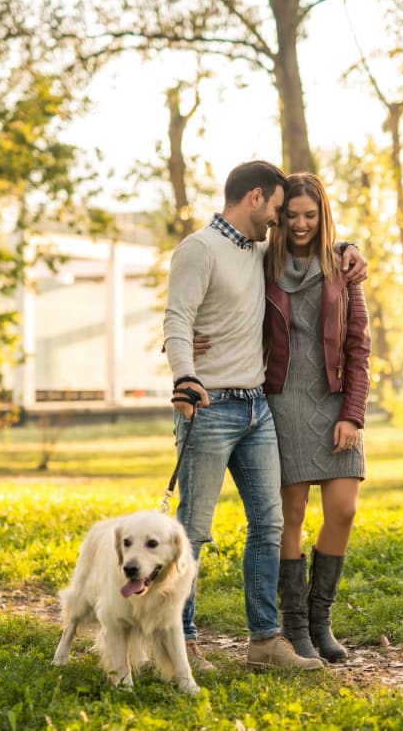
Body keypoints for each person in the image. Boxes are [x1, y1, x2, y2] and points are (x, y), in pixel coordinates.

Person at [163, 160, 367, 672]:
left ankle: (267, 639)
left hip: (257, 405)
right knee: (195, 527)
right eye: (280, 210)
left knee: (269, 525)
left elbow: (350, 327)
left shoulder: (259, 251)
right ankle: (180, 640)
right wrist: (185, 372)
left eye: (299, 215)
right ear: (256, 199)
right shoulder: (208, 249)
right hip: (216, 405)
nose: (285, 221)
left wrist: (349, 249)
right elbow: (178, 317)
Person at [263, 172, 371, 663]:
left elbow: (359, 345)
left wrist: (352, 414)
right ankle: (297, 629)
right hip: (283, 400)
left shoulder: (343, 269)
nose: (301, 223)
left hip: (334, 401)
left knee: (344, 510)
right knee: (292, 516)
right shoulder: (263, 265)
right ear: (280, 217)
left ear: (322, 216)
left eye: (311, 215)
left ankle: (321, 618)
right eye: (292, 215)